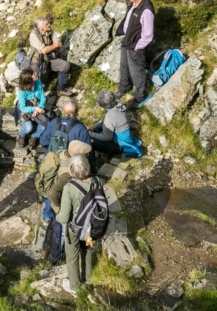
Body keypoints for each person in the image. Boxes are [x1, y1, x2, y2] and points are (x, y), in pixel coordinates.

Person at [59, 155, 97, 297]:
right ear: (87, 167)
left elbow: (64, 216)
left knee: (72, 256)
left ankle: (75, 287)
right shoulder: (96, 182)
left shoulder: (69, 188)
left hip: (75, 228)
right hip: (90, 226)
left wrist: (57, 216)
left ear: (71, 170)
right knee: (87, 251)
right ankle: (88, 279)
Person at [118, 0, 154, 105]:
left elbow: (148, 35)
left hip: (135, 46)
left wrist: (137, 47)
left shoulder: (146, 10)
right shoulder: (134, 3)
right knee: (124, 66)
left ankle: (139, 97)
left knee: (137, 71)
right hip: (127, 41)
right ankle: (124, 87)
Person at [39, 140, 93, 220]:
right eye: (85, 154)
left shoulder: (63, 153)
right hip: (58, 196)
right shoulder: (68, 174)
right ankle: (49, 218)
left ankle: (47, 215)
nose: (87, 155)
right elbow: (53, 192)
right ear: (77, 156)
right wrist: (59, 208)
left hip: (53, 183)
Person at [89, 91, 141, 157]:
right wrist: (93, 128)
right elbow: (104, 120)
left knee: (94, 139)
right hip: (127, 135)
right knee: (99, 130)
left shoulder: (109, 117)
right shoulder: (119, 105)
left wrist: (91, 133)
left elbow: (107, 138)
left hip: (122, 141)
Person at [29, 17, 72, 98]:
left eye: (48, 23)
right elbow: (44, 50)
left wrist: (51, 47)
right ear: (40, 28)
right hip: (37, 62)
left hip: (49, 59)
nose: (49, 25)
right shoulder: (33, 35)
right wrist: (54, 46)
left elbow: (59, 44)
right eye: (47, 24)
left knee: (65, 65)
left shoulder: (50, 31)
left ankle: (60, 89)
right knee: (39, 84)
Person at [17, 68, 50, 149]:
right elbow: (23, 107)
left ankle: (34, 136)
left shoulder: (38, 82)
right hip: (26, 109)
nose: (36, 73)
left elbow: (43, 97)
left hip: (38, 106)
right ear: (29, 80)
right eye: (33, 74)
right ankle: (22, 134)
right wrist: (34, 109)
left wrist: (39, 107)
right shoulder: (22, 90)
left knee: (44, 124)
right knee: (29, 128)